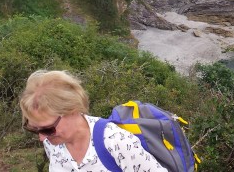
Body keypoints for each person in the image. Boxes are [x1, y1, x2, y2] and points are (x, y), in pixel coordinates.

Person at [20, 70, 168, 172]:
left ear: (72, 110)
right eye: (34, 129)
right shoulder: (52, 143)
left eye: (47, 129)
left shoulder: (116, 142)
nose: (41, 138)